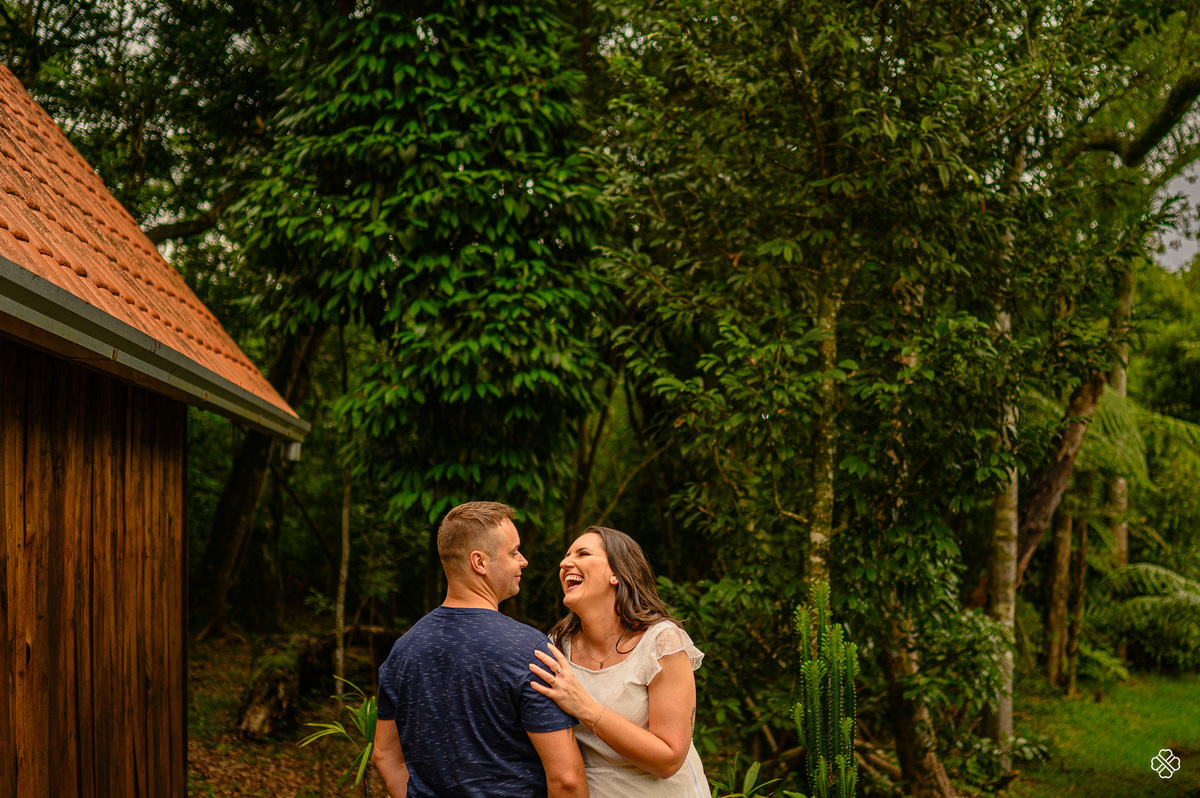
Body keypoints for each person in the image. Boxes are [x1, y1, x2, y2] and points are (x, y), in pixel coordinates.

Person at [372, 501, 588, 798]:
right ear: (480, 562)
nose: (523, 561)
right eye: (513, 552)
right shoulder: (529, 650)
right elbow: (566, 779)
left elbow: (385, 756)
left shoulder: (403, 650)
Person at [529, 526, 710, 797]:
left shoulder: (661, 642)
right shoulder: (556, 646)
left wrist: (586, 708)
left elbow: (669, 759)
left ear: (616, 573)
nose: (565, 563)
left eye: (583, 553)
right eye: (566, 555)